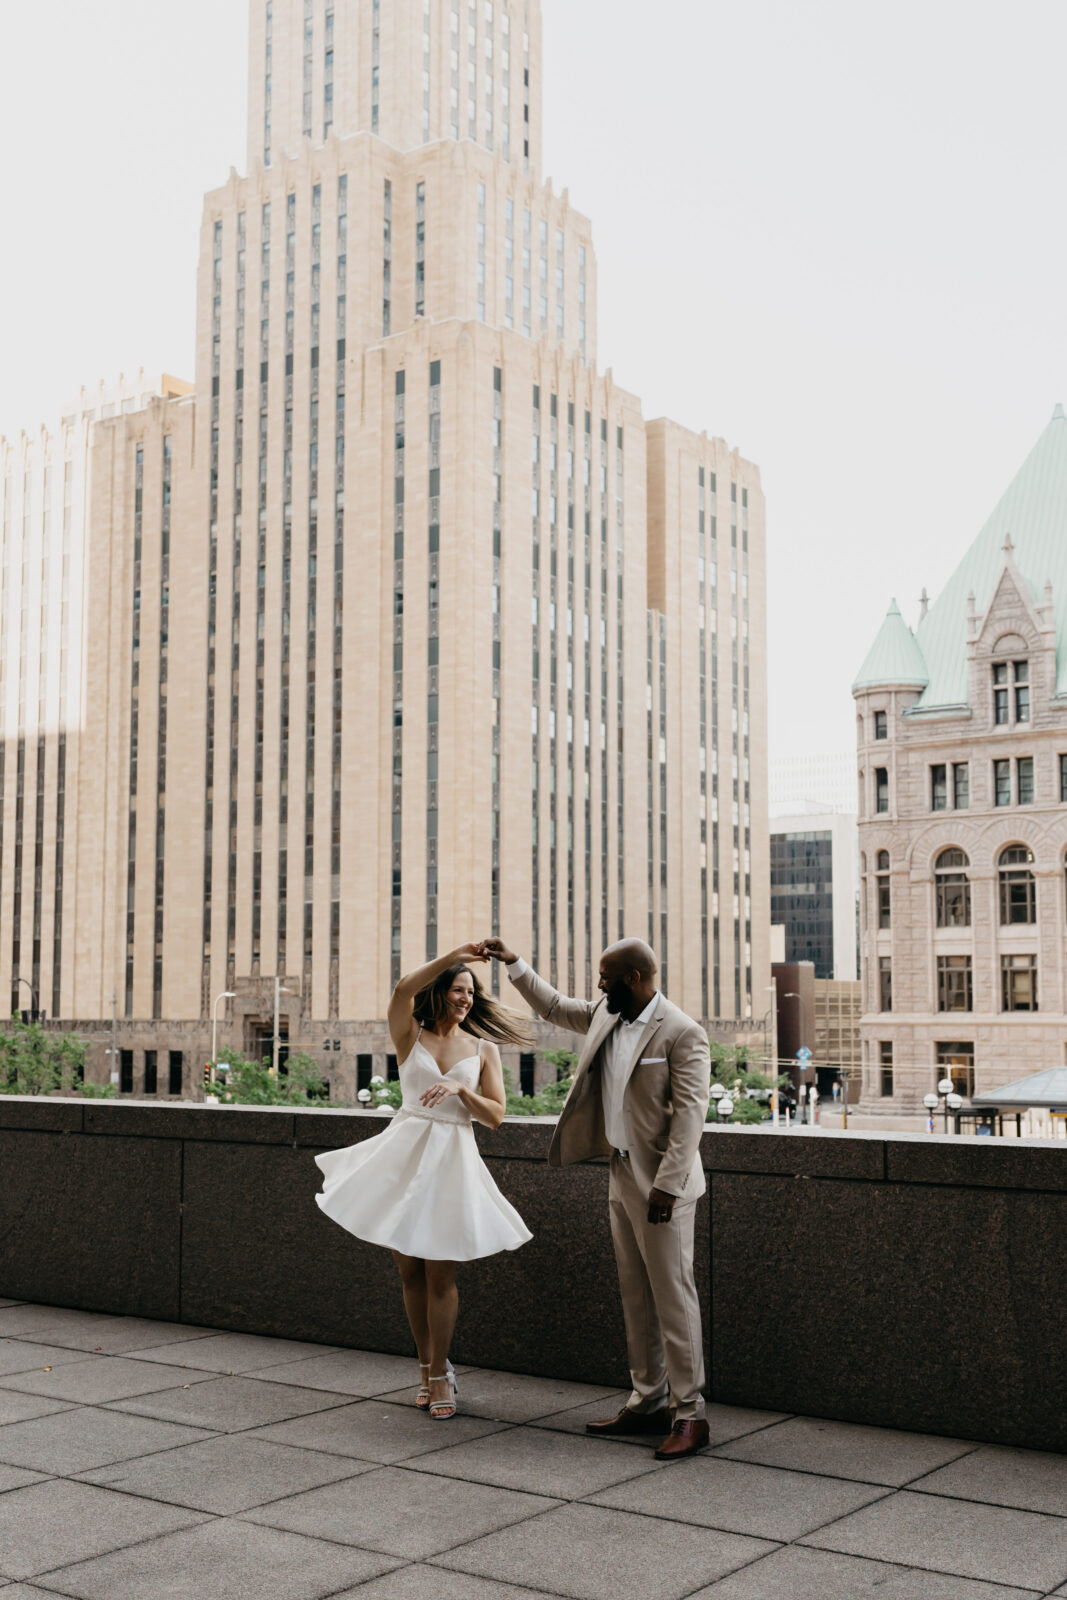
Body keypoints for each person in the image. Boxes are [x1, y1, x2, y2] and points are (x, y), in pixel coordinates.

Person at [482, 935, 712, 1460]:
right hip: (620, 1173)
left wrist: (667, 1187)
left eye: (607, 977)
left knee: (674, 1299)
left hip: (662, 1185)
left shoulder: (682, 1032)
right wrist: (514, 964)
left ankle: (691, 1414)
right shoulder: (609, 1014)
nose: (599, 985)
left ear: (634, 978)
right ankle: (648, 1399)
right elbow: (556, 1007)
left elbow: (690, 1120)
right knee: (635, 1294)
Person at [313, 945, 532, 1419]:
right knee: (410, 1272)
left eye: (471, 992)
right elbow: (400, 989)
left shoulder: (483, 1050)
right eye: (458, 989)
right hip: (403, 1158)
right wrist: (456, 955)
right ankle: (426, 1366)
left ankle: (440, 1375)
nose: (466, 998)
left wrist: (461, 1090)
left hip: (452, 1161)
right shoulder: (409, 1035)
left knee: (441, 1274)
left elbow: (495, 1116)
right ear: (440, 992)